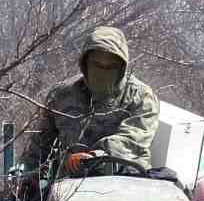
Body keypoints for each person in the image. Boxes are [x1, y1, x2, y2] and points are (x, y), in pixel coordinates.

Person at [18, 26, 160, 182]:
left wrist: (94, 157)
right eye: (97, 65)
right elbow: (39, 147)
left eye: (111, 67)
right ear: (85, 63)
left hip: (125, 184)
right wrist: (23, 176)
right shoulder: (61, 95)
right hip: (69, 187)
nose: (103, 72)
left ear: (121, 68)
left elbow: (131, 141)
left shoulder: (141, 97)